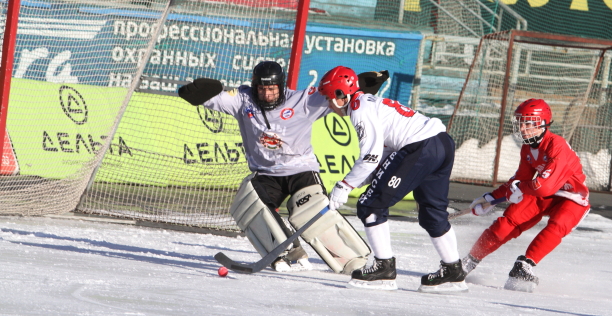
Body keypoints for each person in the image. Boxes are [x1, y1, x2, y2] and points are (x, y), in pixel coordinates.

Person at [176, 61, 373, 274]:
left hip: (301, 170)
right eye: (261, 89)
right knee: (250, 204)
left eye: (272, 88)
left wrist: (362, 85)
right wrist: (198, 91)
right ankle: (286, 253)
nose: (267, 94)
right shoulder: (243, 100)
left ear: (281, 85)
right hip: (266, 173)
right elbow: (207, 98)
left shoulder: (304, 101)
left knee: (310, 209)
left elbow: (339, 92)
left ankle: (351, 259)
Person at [317, 65, 467, 293]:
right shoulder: (367, 103)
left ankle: (383, 269)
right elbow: (382, 157)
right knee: (432, 213)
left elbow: (370, 156)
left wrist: (344, 185)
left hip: (420, 147)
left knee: (370, 204)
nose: (328, 104)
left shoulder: (358, 109)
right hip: (441, 143)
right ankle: (453, 271)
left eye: (329, 98)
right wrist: (363, 179)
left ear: (341, 96)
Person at [461, 98, 591, 292]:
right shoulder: (528, 148)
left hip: (571, 195)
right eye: (521, 123)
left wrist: (520, 187)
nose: (523, 128)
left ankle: (525, 265)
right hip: (543, 191)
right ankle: (468, 262)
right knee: (507, 222)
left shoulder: (557, 145)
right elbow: (520, 179)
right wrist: (490, 198)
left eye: (528, 123)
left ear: (542, 124)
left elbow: (542, 187)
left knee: (558, 224)